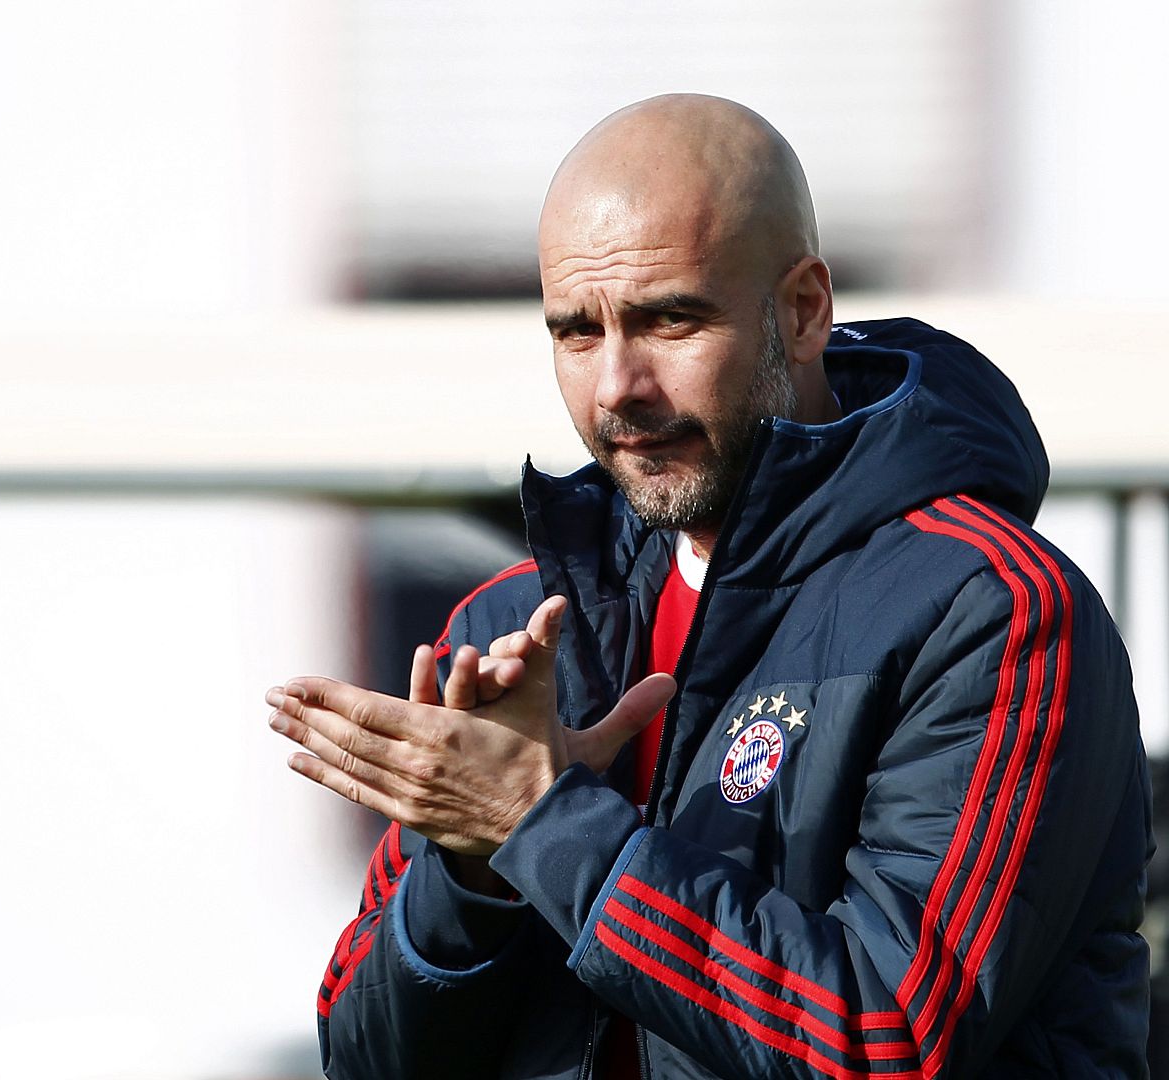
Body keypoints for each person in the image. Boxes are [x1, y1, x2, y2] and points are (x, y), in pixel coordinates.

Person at [264, 94, 1152, 1078]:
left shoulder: (992, 609)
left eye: (668, 319)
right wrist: (474, 870)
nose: (617, 387)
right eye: (576, 334)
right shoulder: (515, 625)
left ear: (804, 309)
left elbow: (884, 1040)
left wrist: (543, 825)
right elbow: (362, 1059)